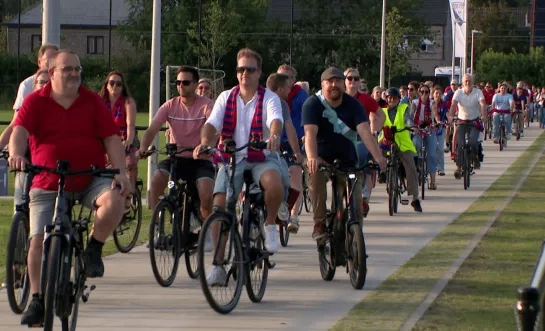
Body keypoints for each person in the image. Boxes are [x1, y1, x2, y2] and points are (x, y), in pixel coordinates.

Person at [8, 50, 128, 325]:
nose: (74, 74)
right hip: (47, 179)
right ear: (52, 73)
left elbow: (111, 138)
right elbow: (20, 131)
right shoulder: (35, 101)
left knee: (115, 201)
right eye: (67, 70)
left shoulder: (93, 101)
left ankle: (94, 248)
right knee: (37, 239)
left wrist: (120, 172)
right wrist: (17, 154)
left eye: (77, 69)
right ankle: (38, 298)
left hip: (89, 177)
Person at [194, 48, 287, 284]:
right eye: (240, 69)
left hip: (262, 155)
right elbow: (212, 123)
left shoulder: (269, 98)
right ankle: (217, 265)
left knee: (273, 184)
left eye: (250, 69)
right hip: (232, 157)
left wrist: (274, 136)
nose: (244, 73)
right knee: (219, 206)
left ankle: (270, 225)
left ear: (259, 73)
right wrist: (205, 143)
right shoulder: (226, 97)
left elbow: (275, 120)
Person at [302, 67, 387, 240]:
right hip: (321, 158)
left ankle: (356, 241)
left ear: (343, 84)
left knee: (355, 201)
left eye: (338, 81)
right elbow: (310, 134)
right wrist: (311, 158)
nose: (334, 85)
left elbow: (364, 132)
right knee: (315, 177)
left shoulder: (354, 105)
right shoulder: (312, 104)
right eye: (329, 82)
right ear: (322, 84)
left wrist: (378, 157)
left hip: (347, 159)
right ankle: (320, 223)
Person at [137, 65, 215, 225]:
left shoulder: (207, 105)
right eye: (178, 82)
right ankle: (157, 224)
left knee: (206, 195)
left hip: (200, 160)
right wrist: (143, 148)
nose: (180, 86)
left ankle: (207, 229)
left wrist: (205, 145)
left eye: (185, 82)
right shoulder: (170, 105)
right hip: (176, 160)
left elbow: (212, 128)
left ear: (194, 84)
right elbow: (152, 129)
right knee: (157, 180)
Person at [266, 73, 305, 233]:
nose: (290, 91)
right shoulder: (281, 104)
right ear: (281, 88)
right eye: (288, 88)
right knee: (294, 174)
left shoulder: (257, 98)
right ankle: (285, 206)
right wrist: (297, 153)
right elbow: (289, 130)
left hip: (265, 146)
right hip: (275, 146)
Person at [344, 67, 385, 215]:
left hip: (362, 138)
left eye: (356, 78)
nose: (353, 82)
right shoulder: (338, 97)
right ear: (345, 81)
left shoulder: (365, 99)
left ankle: (364, 197)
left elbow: (381, 115)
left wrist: (375, 131)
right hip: (343, 139)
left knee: (363, 164)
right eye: (350, 78)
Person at [98, 71, 138, 211]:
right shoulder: (100, 102)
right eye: (112, 83)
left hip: (123, 138)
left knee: (129, 163)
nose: (115, 86)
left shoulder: (127, 102)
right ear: (106, 85)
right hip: (105, 140)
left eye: (119, 84)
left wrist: (128, 140)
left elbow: (130, 125)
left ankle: (129, 196)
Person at [378, 88, 422, 212]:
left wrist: (411, 127)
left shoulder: (404, 108)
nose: (391, 100)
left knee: (410, 165)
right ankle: (382, 172)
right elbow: (377, 123)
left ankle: (415, 198)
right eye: (389, 98)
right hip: (386, 142)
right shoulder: (382, 111)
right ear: (386, 99)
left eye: (394, 98)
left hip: (402, 143)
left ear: (398, 99)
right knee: (377, 153)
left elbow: (408, 119)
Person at [448, 74, 487, 178]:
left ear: (472, 82)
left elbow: (483, 104)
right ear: (462, 83)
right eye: (466, 81)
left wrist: (483, 115)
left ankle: (475, 158)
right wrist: (451, 116)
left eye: (469, 81)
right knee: (460, 143)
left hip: (474, 121)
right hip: (462, 121)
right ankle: (459, 167)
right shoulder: (458, 92)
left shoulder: (478, 92)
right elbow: (453, 104)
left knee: (473, 141)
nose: (467, 83)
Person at [12, 44, 59, 112]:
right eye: (48, 61)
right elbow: (19, 116)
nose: (52, 64)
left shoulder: (65, 85)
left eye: (56, 60)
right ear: (39, 62)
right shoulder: (27, 85)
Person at [410, 84, 440, 190]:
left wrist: (437, 121)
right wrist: (412, 125)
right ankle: (417, 167)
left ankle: (433, 181)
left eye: (426, 92)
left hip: (429, 128)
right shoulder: (415, 103)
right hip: (417, 129)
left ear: (429, 93)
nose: (424, 94)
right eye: (422, 92)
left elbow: (435, 113)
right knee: (415, 145)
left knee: (431, 155)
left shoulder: (432, 103)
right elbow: (411, 114)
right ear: (419, 93)